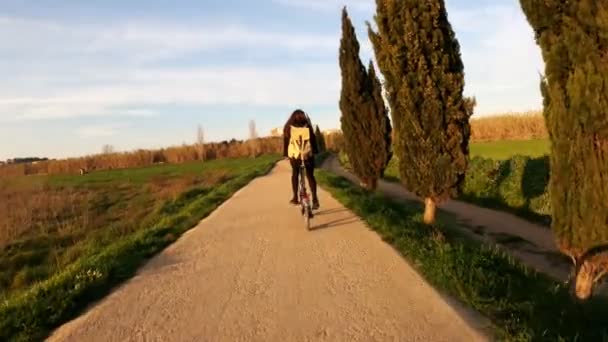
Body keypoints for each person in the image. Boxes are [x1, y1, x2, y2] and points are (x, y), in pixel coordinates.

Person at [283, 109, 320, 209]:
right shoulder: (307, 125)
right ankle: (315, 200)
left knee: (295, 174)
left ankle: (295, 198)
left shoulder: (288, 127)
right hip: (308, 155)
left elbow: (286, 142)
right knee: (310, 175)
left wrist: (286, 154)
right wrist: (315, 151)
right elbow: (313, 139)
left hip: (295, 157)